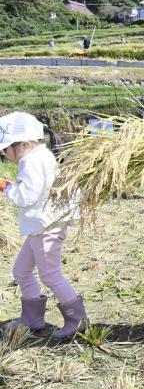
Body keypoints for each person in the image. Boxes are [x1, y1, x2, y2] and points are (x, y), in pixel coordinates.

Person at [0, 112, 87, 339]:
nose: (4, 154)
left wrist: (6, 189)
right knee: (21, 270)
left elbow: (26, 196)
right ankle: (32, 318)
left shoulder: (31, 161)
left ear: (24, 144)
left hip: (46, 226)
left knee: (50, 275)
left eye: (5, 149)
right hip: (42, 226)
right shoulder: (41, 155)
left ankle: (77, 320)